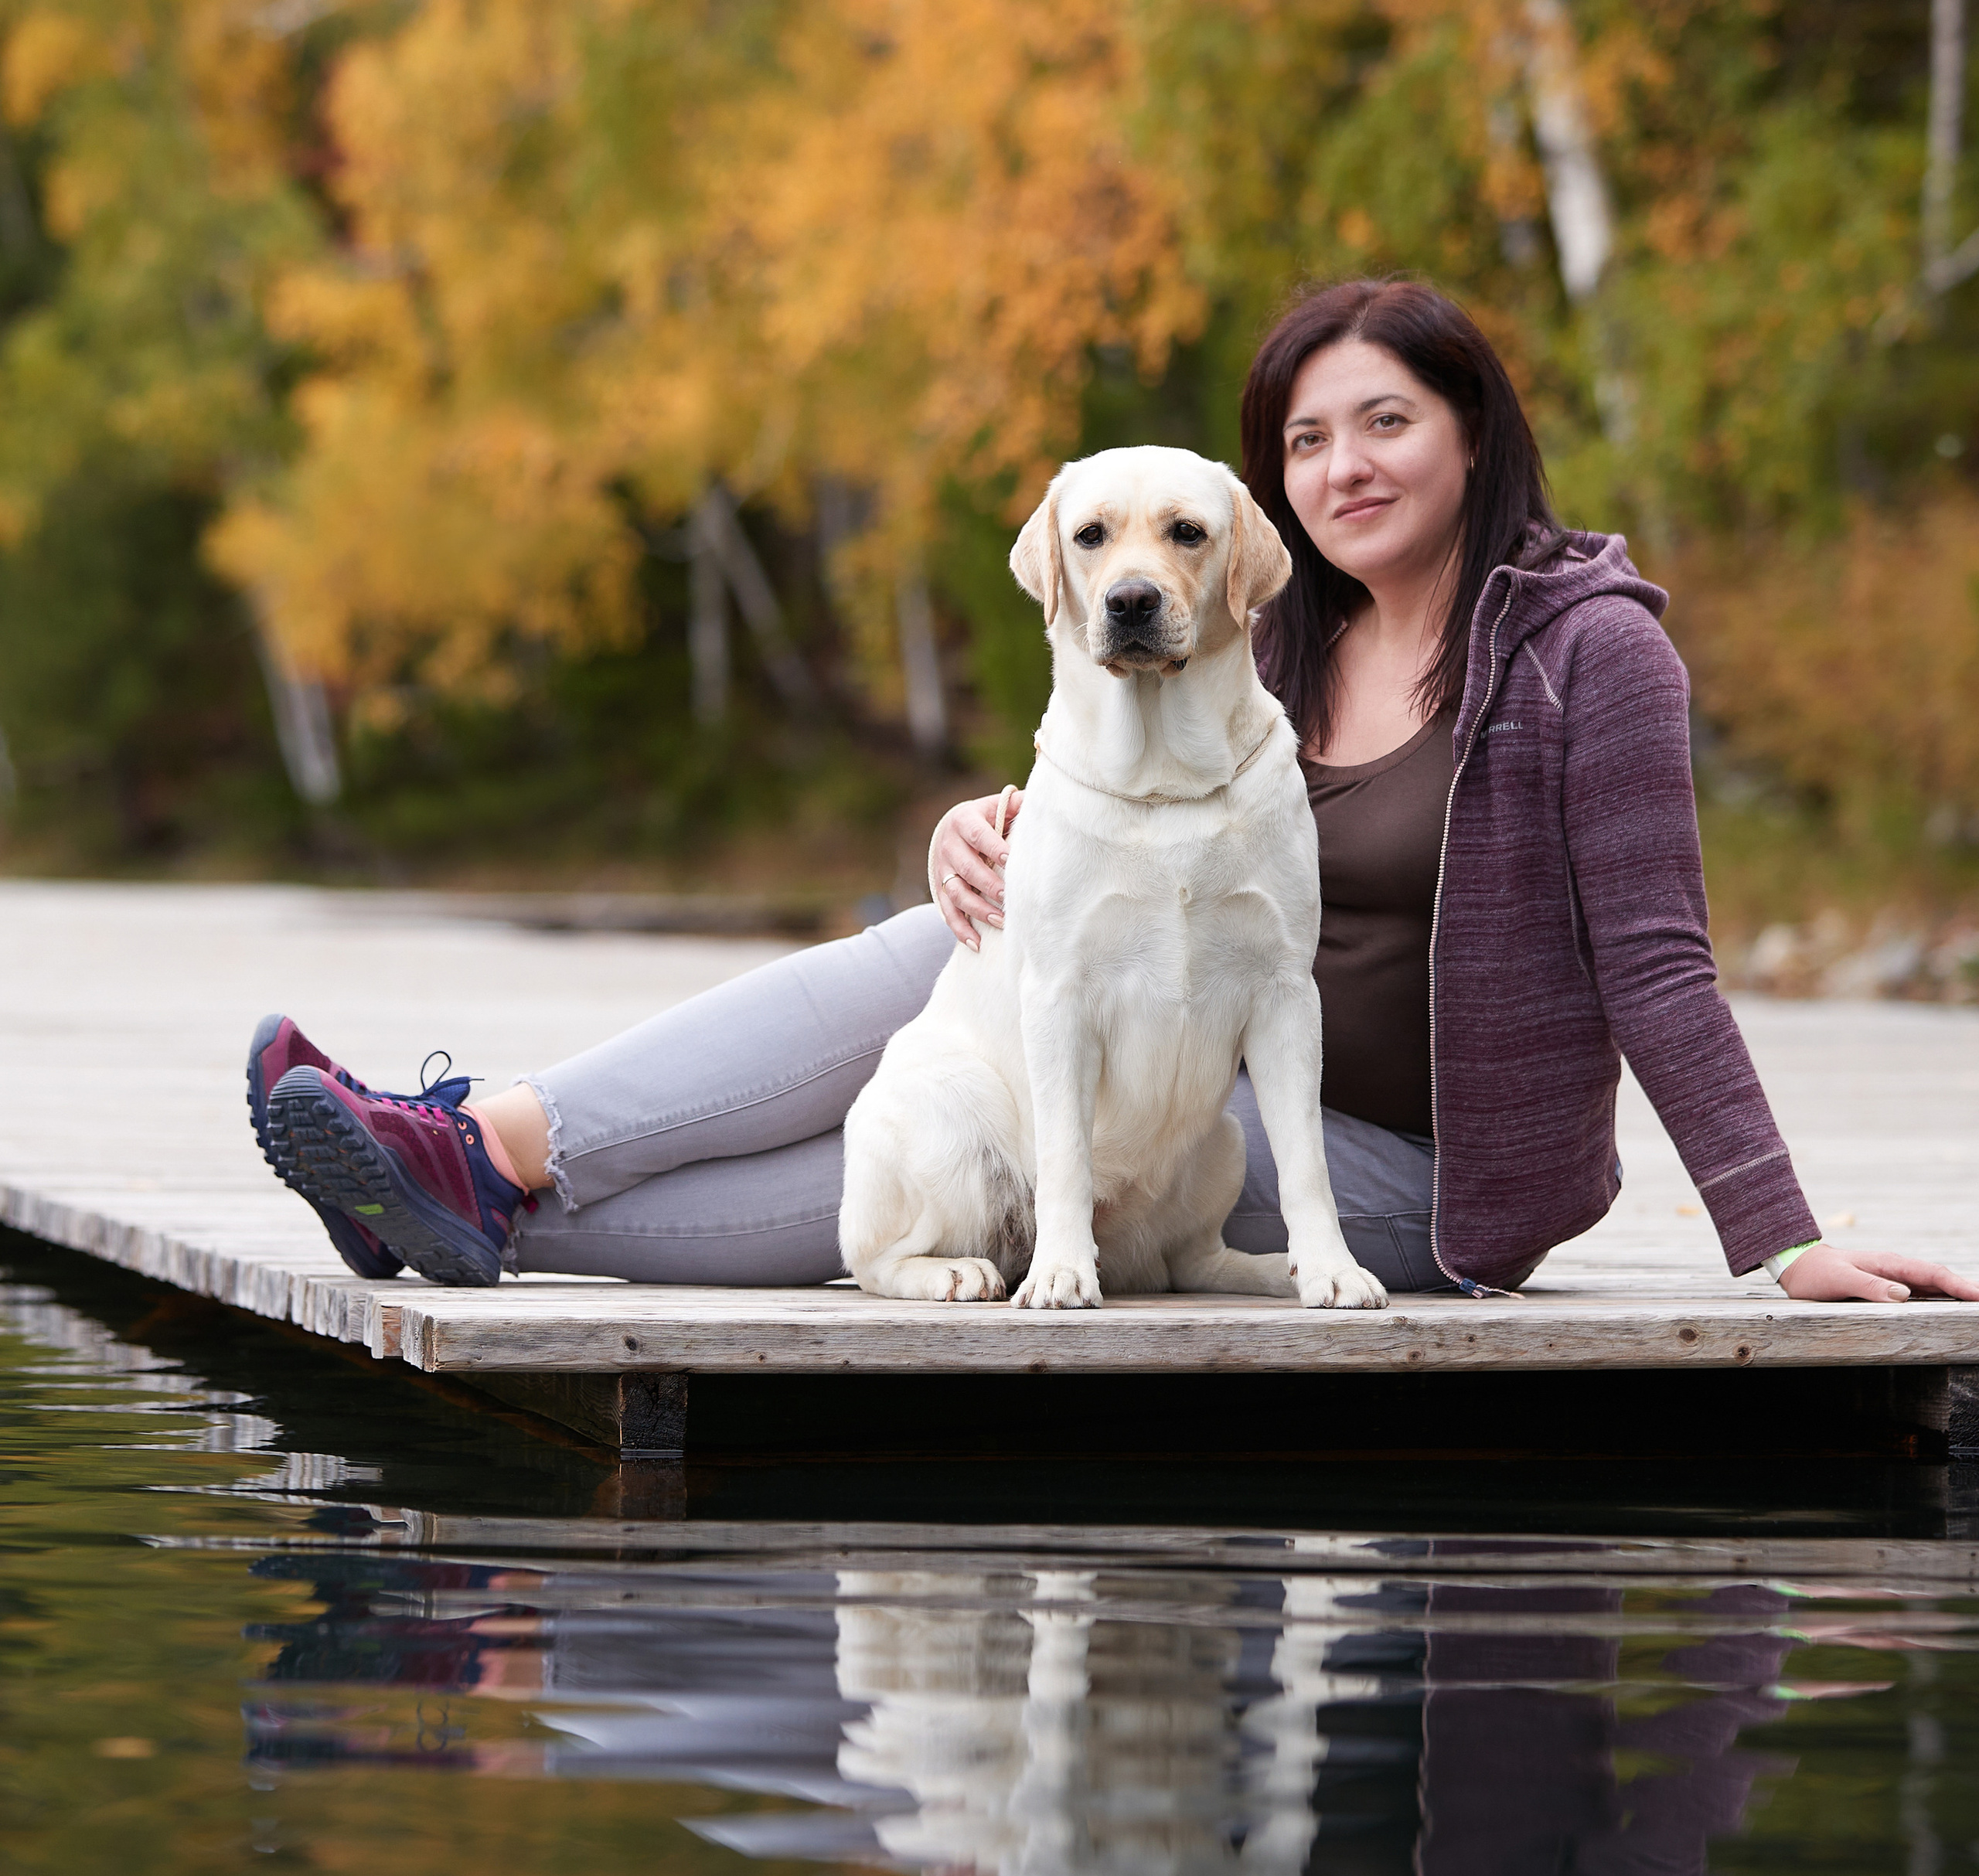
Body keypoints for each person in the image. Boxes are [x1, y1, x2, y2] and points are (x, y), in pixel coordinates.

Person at [250, 277, 1977, 1306]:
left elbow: (1663, 969)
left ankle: (478, 1187)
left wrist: (1780, 1240)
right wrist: (973, 834)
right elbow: (1104, 817)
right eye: (1303, 442)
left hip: (1398, 1168)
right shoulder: (1260, 624)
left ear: (1472, 431)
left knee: (980, 1145)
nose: (1341, 469)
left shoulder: (1586, 656)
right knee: (934, 954)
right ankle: (482, 1157)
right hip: (1163, 1070)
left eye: (1382, 423)